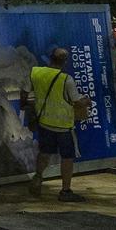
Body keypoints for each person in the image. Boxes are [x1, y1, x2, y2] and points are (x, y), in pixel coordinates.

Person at [28, 47, 91, 202]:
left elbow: (26, 93)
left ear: (50, 58)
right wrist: (86, 101)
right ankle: (65, 191)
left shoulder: (36, 73)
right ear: (65, 61)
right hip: (63, 126)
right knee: (67, 157)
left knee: (44, 153)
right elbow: (76, 102)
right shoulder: (66, 79)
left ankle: (38, 177)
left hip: (44, 122)